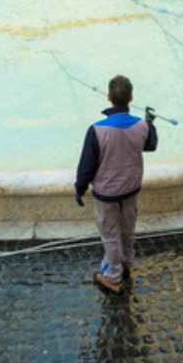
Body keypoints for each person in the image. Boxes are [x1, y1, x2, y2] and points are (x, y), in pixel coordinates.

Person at [74, 75, 158, 294]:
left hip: (107, 193)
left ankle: (113, 276)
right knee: (128, 230)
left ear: (109, 97)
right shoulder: (141, 125)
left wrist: (79, 189)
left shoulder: (97, 130)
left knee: (110, 234)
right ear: (131, 97)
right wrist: (150, 123)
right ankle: (127, 265)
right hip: (131, 188)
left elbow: (87, 167)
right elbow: (151, 145)